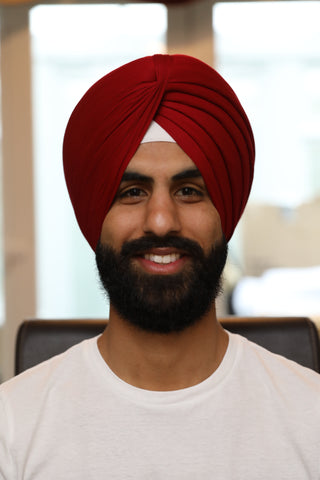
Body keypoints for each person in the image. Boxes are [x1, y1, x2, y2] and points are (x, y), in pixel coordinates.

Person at [1, 54, 320, 479]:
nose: (161, 220)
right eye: (132, 192)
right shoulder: (13, 427)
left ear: (224, 213)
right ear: (94, 216)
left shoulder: (309, 417)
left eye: (189, 191)